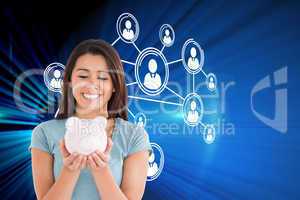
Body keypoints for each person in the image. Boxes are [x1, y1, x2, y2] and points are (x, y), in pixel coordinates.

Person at [29, 39, 152, 200]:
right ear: (70, 81)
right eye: (83, 75)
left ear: (115, 85)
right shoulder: (44, 133)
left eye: (102, 78)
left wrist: (101, 170)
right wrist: (70, 170)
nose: (92, 83)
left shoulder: (134, 135)